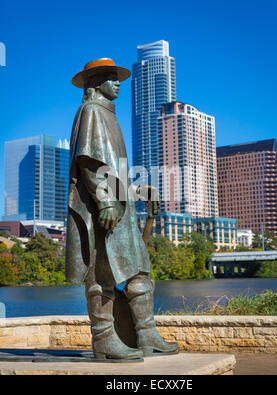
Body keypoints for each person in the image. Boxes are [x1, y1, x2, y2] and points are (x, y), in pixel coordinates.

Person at [66, 58, 178, 360]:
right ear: (95, 82)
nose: (117, 83)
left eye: (118, 78)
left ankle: (146, 334)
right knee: (101, 274)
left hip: (120, 207)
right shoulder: (90, 111)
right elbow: (89, 164)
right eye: (110, 77)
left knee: (139, 272)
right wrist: (105, 201)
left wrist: (139, 191)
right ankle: (103, 339)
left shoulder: (111, 117)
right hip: (104, 209)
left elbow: (115, 174)